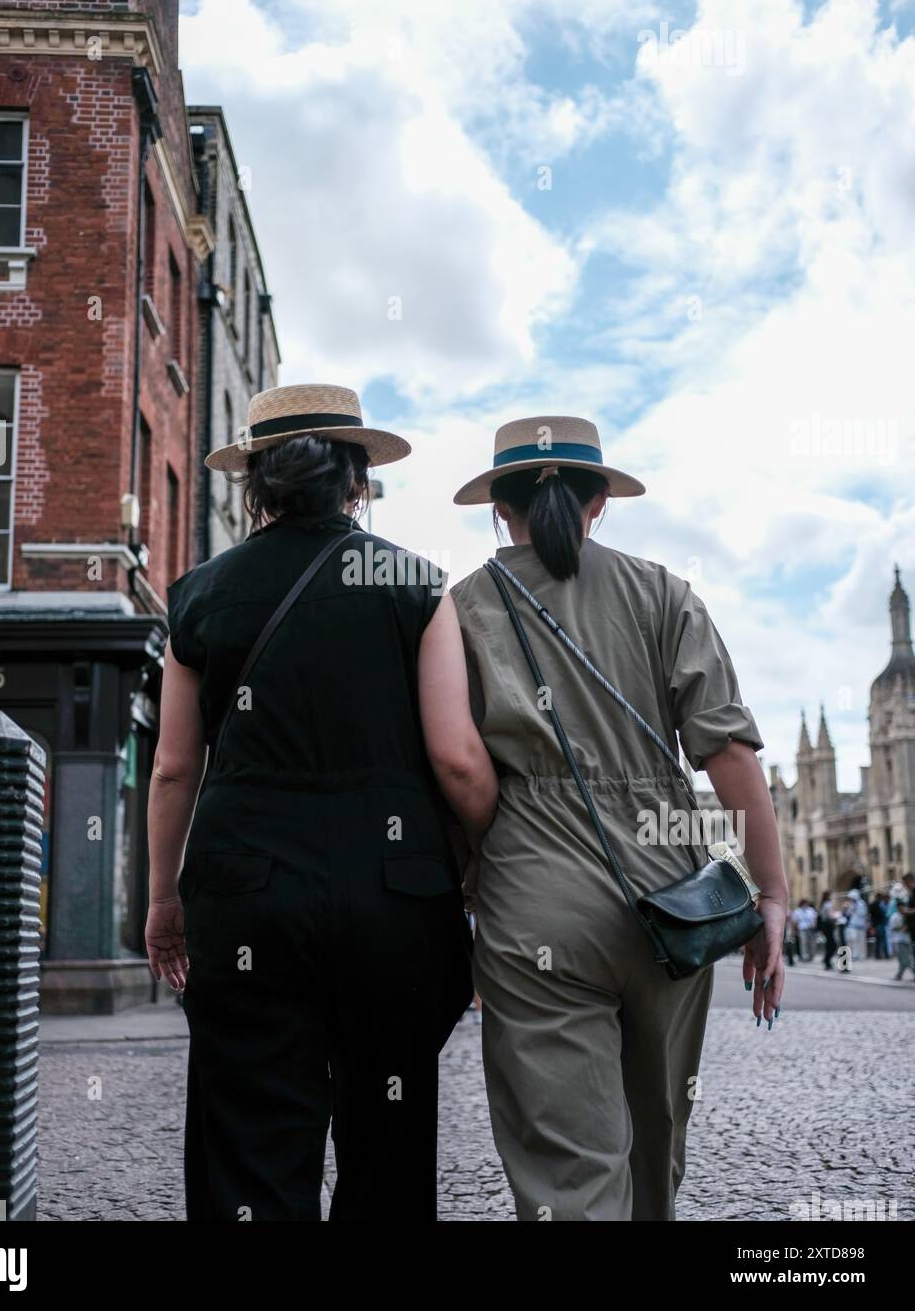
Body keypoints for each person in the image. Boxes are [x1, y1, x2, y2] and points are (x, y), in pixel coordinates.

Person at [145, 383, 496, 1222]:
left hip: (245, 894)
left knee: (251, 1134)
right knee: (389, 1137)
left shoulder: (198, 593)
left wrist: (164, 898)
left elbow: (169, 770)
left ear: (256, 486)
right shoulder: (415, 585)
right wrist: (482, 860)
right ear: (357, 481)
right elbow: (456, 759)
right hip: (394, 898)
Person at [447, 415, 787, 1222]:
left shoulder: (456, 611)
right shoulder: (663, 593)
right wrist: (770, 897)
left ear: (500, 507)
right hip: (672, 900)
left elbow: (455, 768)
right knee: (655, 1139)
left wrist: (468, 885)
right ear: (599, 501)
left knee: (569, 1166)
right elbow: (728, 754)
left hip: (534, 898)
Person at [889, 903, 913, 981]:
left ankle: (899, 975)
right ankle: (899, 975)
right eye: (901, 907)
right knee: (903, 959)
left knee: (905, 959)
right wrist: (901, 928)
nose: (903, 909)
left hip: (909, 939)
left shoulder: (908, 915)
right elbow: (892, 928)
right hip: (899, 939)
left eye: (904, 907)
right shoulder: (894, 916)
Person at [844, 889, 868, 961]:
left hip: (861, 924)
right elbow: (848, 914)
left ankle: (862, 955)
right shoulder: (851, 904)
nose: (851, 899)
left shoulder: (862, 903)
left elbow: (863, 913)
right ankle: (854, 954)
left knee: (861, 941)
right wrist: (847, 908)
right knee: (853, 940)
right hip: (853, 924)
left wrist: (855, 908)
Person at [817, 891, 838, 970]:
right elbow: (830, 915)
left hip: (825, 926)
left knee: (829, 944)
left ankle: (827, 961)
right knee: (832, 944)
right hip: (828, 926)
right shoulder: (827, 904)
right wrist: (837, 916)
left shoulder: (823, 904)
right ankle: (826, 960)